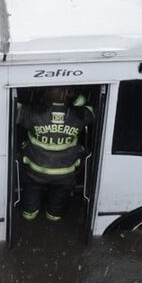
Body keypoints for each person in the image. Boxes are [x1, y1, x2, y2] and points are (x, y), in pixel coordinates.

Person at [16, 87, 94, 221]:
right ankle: (53, 215)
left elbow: (12, 107)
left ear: (44, 95)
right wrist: (76, 97)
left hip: (35, 172)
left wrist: (35, 99)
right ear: (68, 96)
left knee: (32, 193)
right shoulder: (79, 115)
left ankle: (29, 214)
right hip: (66, 174)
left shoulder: (32, 113)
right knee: (59, 199)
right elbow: (92, 112)